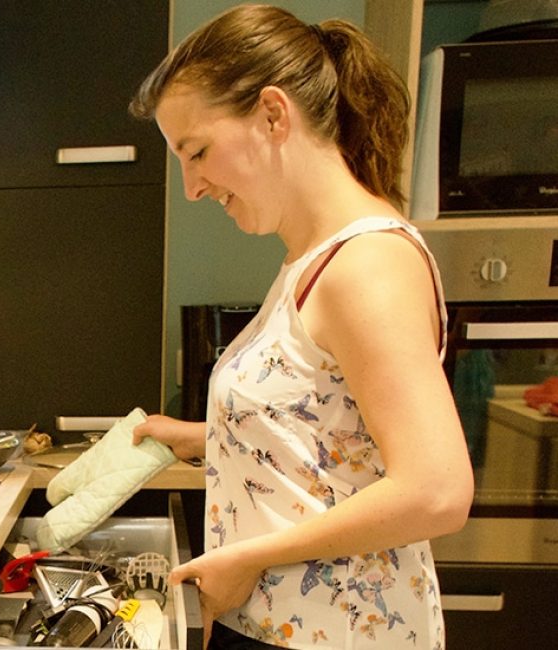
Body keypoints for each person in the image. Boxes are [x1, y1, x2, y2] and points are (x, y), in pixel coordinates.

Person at [127, 5, 474, 649]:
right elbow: (331, 431)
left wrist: (247, 558)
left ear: (273, 114)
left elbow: (437, 489)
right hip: (287, 626)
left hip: (332, 634)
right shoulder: (312, 260)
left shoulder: (367, 265)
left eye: (197, 152)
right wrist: (207, 435)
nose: (192, 187)